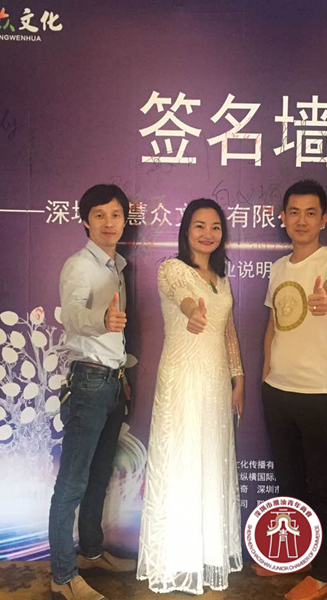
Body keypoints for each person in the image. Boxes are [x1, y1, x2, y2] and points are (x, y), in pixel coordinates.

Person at [137, 198, 244, 594]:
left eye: (215, 227)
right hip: (182, 379)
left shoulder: (222, 278)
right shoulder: (171, 269)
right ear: (186, 230)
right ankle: (176, 559)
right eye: (200, 225)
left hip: (216, 382)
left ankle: (209, 552)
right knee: (180, 460)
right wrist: (191, 312)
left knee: (212, 460)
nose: (208, 234)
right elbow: (182, 294)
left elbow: (228, 332)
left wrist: (238, 378)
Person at [261, 179, 327, 600]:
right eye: (294, 212)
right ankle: (296, 554)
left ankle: (326, 570)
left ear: (324, 219)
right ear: (282, 217)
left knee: (324, 485)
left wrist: (325, 299)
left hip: (322, 394)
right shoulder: (278, 268)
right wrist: (266, 372)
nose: (301, 220)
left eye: (310, 213)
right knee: (290, 480)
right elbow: (273, 324)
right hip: (278, 391)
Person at [49, 184, 136, 600]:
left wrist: (123, 374)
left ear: (125, 220)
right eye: (99, 215)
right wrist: (102, 319)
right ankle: (63, 575)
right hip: (87, 382)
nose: (108, 223)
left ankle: (92, 552)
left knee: (99, 476)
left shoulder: (115, 265)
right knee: (73, 482)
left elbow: (115, 333)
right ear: (85, 221)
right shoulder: (79, 265)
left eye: (115, 214)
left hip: (112, 381)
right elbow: (70, 315)